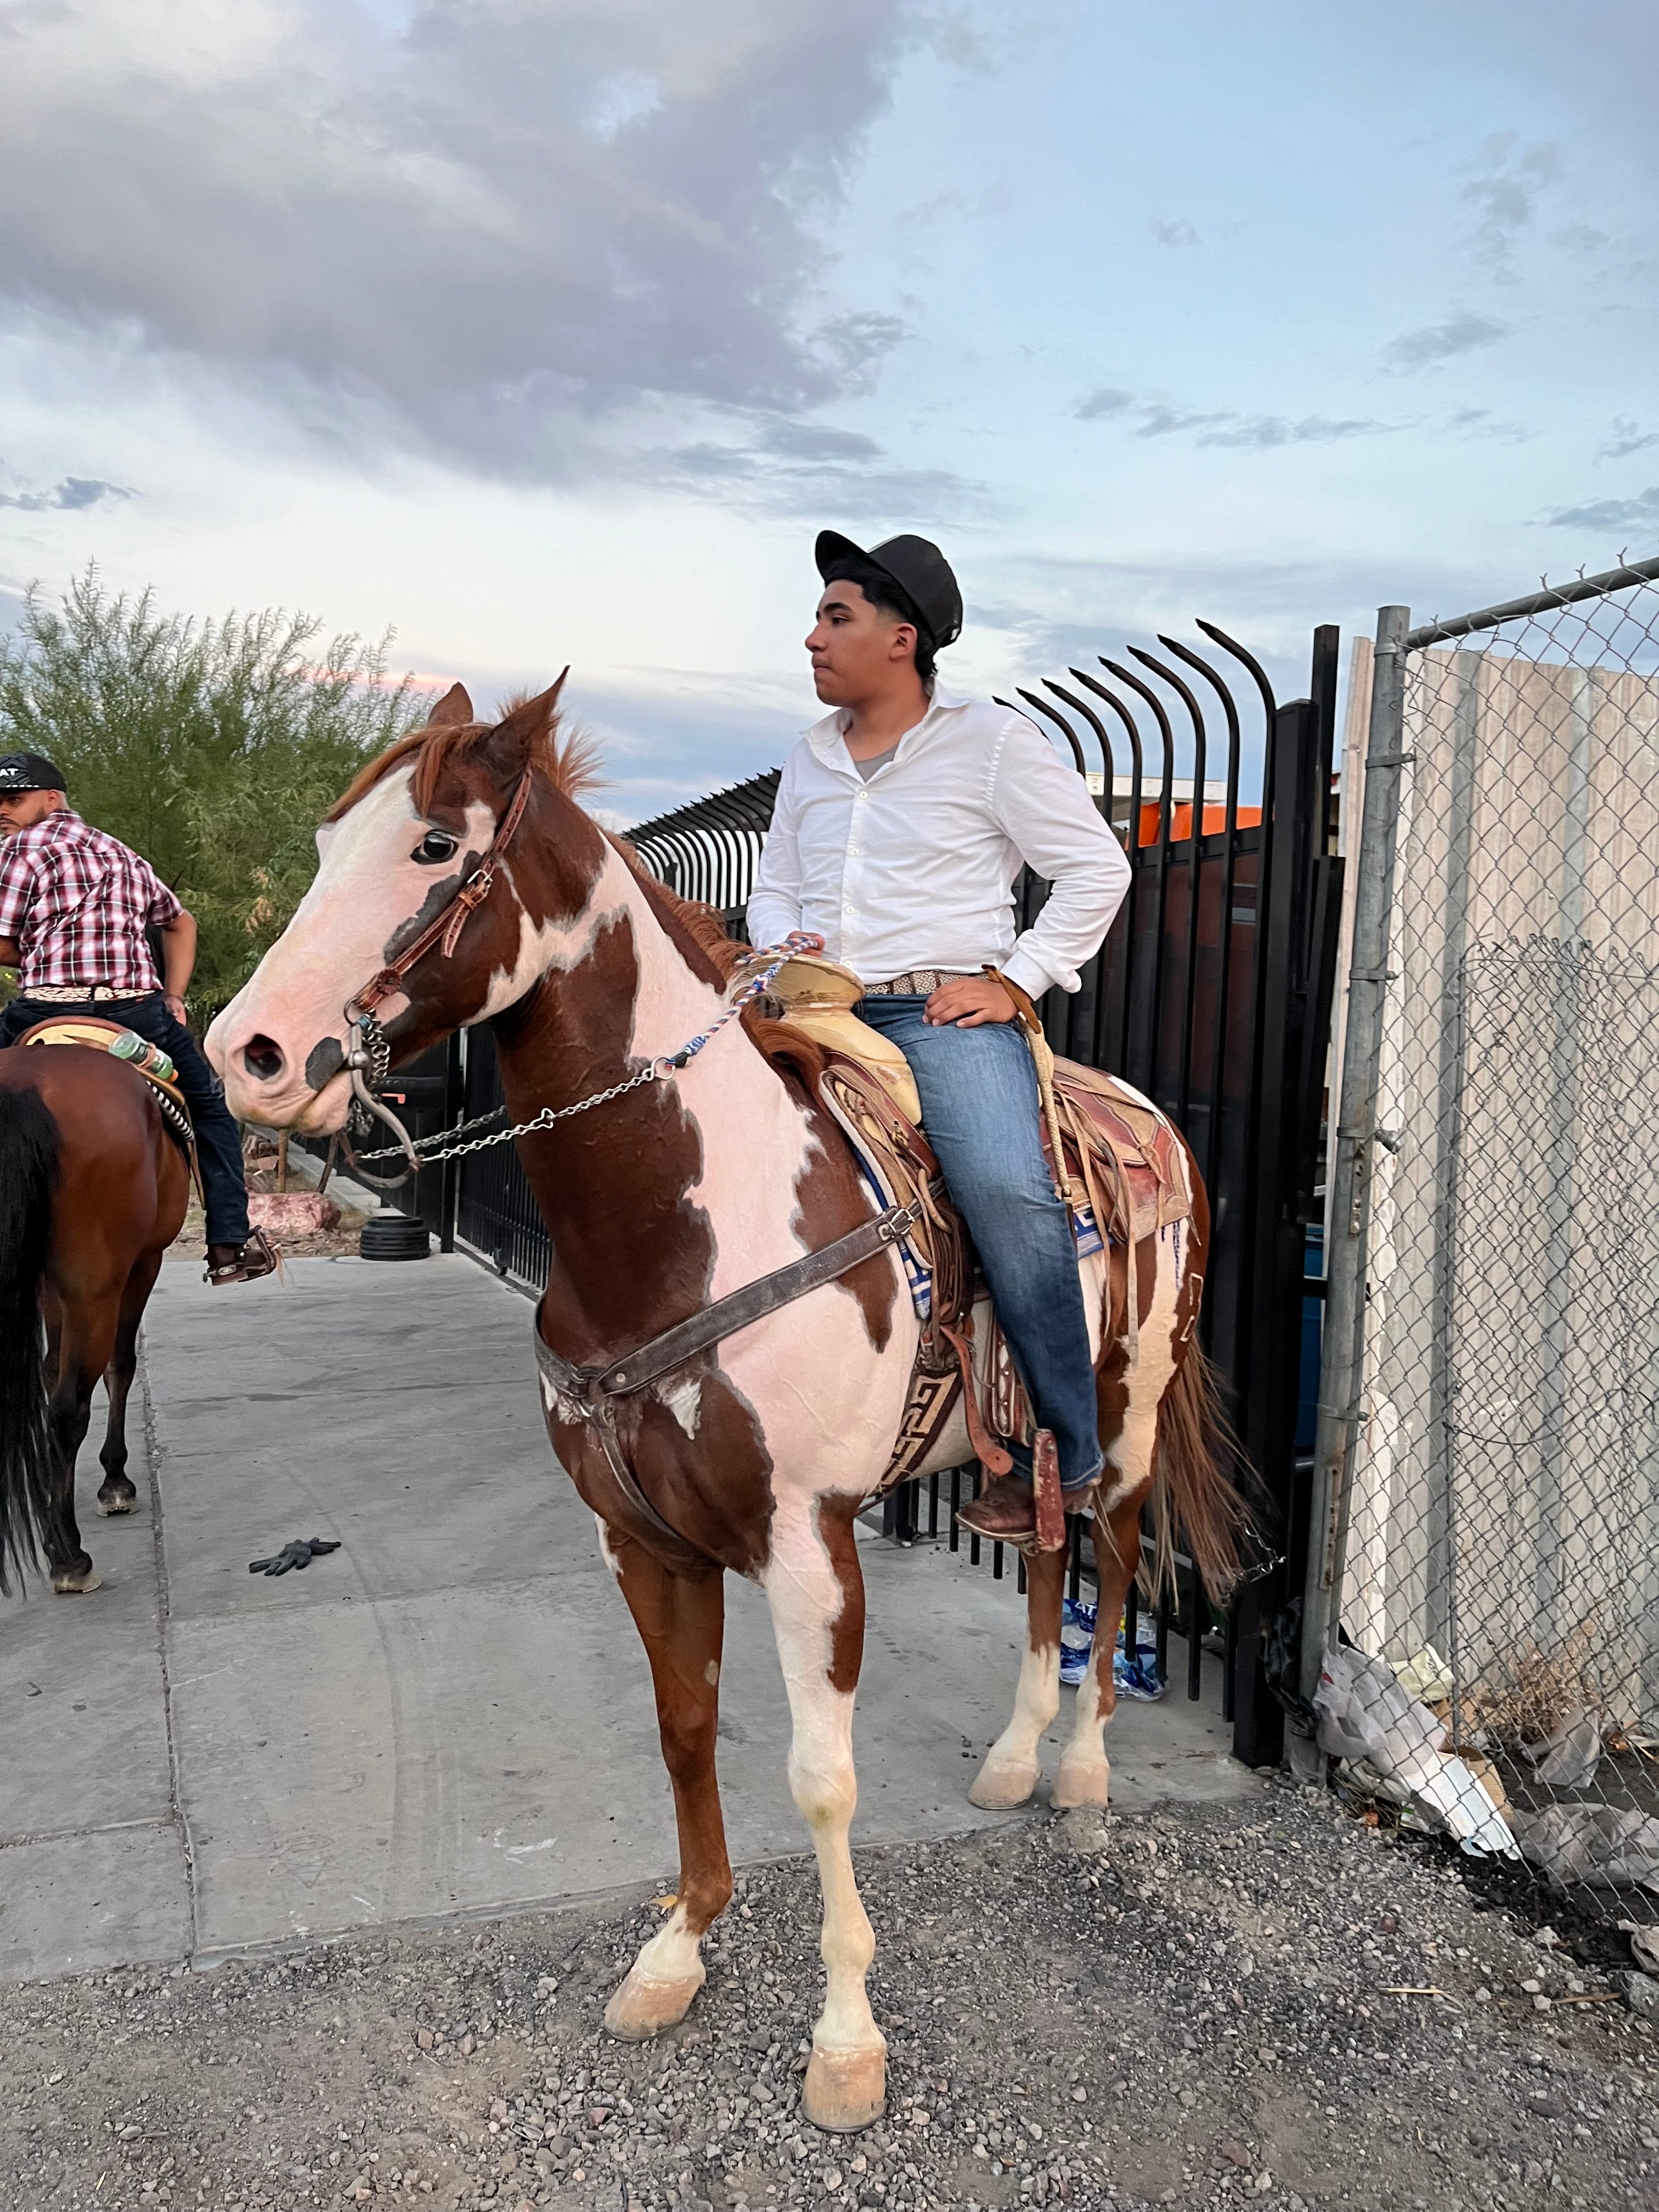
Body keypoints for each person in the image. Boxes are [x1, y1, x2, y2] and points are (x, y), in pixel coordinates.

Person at [747, 531, 1133, 1543]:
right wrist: (774, 945)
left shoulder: (990, 741)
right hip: (813, 1004)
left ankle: (1068, 1445)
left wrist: (1015, 982)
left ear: (899, 638)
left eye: (836, 618)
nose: (812, 637)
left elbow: (1096, 868)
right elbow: (775, 878)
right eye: (819, 616)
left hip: (937, 1015)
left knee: (1005, 1190)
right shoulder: (808, 754)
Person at [0, 750, 275, 1285]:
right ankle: (228, 1245)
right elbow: (181, 923)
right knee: (210, 1111)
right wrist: (174, 996)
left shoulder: (17, 850)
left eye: (14, 799)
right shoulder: (121, 854)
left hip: (45, 1009)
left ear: (51, 800)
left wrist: (36, 951)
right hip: (137, 1013)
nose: (2, 812)